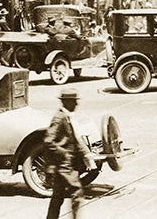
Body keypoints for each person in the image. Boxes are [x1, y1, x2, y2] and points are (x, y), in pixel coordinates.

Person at [44, 88, 87, 219]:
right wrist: (64, 153)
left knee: (57, 196)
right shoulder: (59, 118)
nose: (76, 104)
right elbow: (48, 141)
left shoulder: (65, 116)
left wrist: (84, 152)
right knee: (77, 192)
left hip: (63, 164)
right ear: (67, 102)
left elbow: (72, 138)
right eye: (74, 101)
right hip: (64, 165)